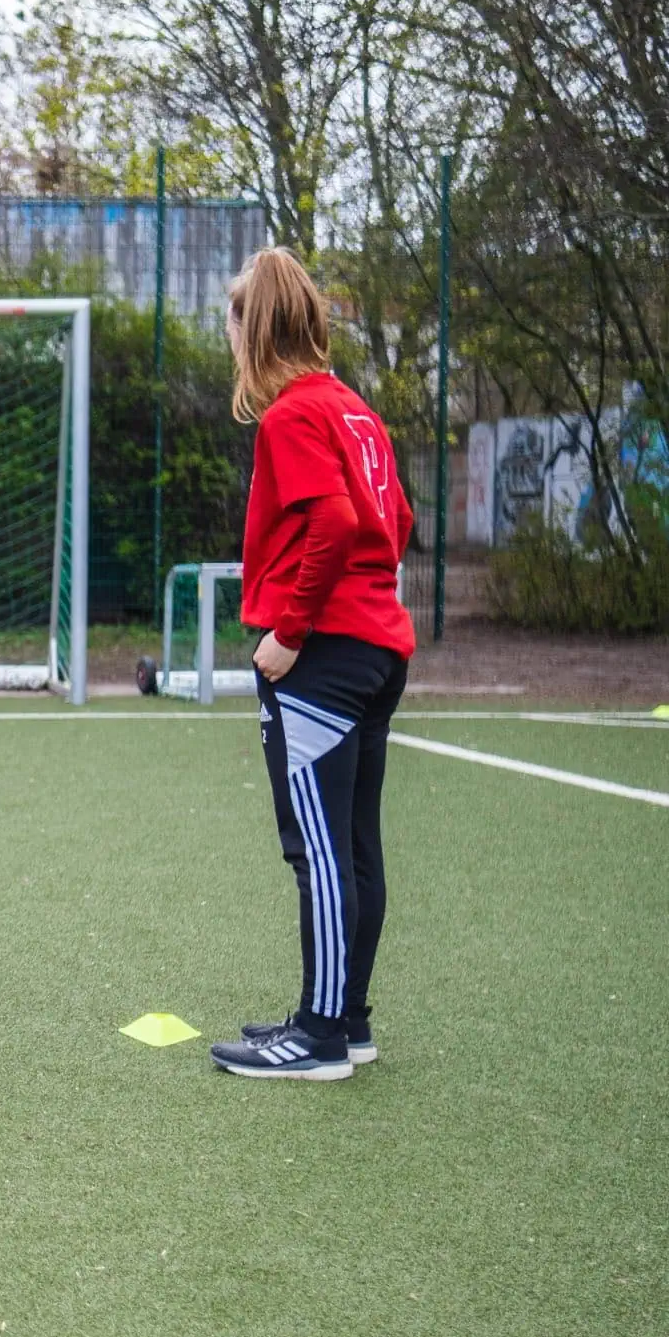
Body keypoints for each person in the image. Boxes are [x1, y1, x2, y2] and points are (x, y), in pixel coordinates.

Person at [205, 247, 417, 1081]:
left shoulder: (294, 414)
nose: (227, 336)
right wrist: (363, 601)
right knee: (355, 845)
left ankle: (323, 1036)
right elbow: (395, 520)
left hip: (324, 655)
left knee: (319, 851)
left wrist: (293, 629)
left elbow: (334, 522)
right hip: (376, 646)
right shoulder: (354, 410)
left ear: (254, 327)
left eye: (231, 320)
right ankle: (344, 1017)